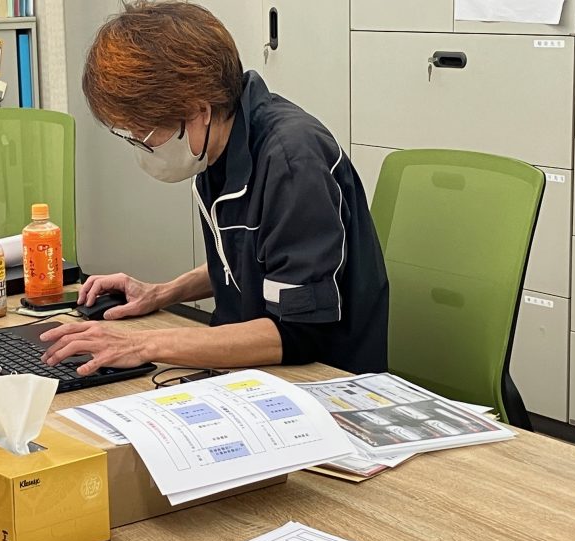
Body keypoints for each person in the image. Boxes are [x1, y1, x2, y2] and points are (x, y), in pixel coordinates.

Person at [41, 1, 388, 377]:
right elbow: (249, 261)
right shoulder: (218, 147)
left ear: (199, 111)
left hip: (322, 380)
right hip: (249, 373)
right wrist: (161, 293)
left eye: (145, 132)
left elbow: (298, 333)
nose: (141, 144)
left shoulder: (292, 161)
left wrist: (142, 343)